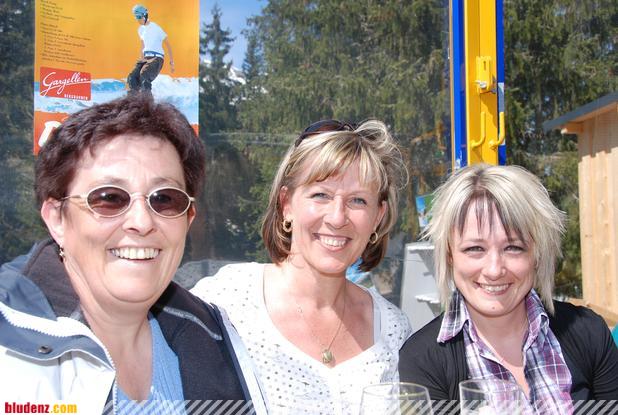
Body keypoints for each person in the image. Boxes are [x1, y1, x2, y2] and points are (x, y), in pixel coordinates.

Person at [0, 94, 258, 413]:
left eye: (165, 199)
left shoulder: (215, 337)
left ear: (188, 219)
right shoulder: (9, 349)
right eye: (109, 198)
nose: (142, 222)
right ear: (57, 219)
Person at [191, 119, 413, 414]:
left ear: (378, 217)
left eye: (358, 200)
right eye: (321, 195)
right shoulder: (226, 302)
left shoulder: (393, 330)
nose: (337, 217)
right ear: (286, 204)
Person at [399, 164, 618, 412]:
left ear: (537, 254)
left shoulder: (588, 332)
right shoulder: (423, 361)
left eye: (513, 248)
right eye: (474, 249)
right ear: (450, 256)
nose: (494, 270)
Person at [127, 4, 174, 93]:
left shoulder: (156, 28)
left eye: (139, 17)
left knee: (144, 75)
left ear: (145, 15)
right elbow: (143, 46)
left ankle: (147, 100)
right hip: (145, 58)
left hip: (157, 58)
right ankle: (133, 99)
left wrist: (172, 63)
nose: (138, 20)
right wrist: (141, 60)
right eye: (136, 17)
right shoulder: (140, 30)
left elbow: (168, 44)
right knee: (132, 77)